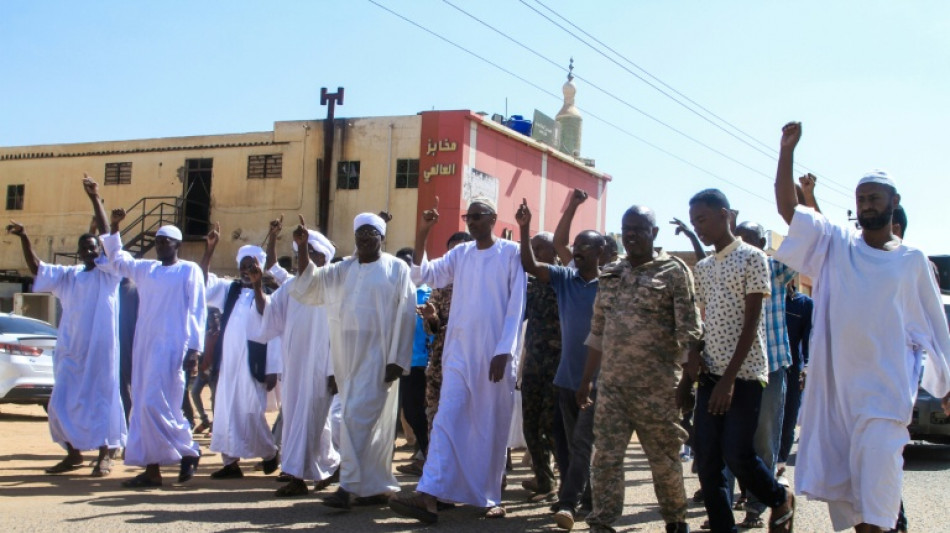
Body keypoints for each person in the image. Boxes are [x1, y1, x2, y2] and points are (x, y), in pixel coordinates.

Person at [773, 122, 950, 533]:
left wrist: (947, 386)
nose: (867, 204)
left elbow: (935, 328)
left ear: (893, 202)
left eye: (874, 198)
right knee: (854, 510)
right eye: (861, 199)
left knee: (879, 513)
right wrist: (786, 152)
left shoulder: (912, 263)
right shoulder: (837, 245)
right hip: (836, 404)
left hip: (885, 406)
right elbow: (789, 211)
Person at [390, 196, 526, 523]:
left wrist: (504, 351)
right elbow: (422, 275)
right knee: (447, 419)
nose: (472, 222)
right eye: (469, 217)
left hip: (494, 358)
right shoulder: (460, 254)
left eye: (479, 216)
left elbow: (516, 307)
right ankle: (429, 494)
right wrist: (423, 232)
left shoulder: (511, 254)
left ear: (494, 218)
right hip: (458, 355)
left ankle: (489, 496)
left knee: (488, 426)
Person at [577, 205, 702, 533]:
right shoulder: (610, 274)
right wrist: (586, 381)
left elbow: (690, 333)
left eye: (639, 229)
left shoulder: (673, 272)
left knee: (664, 461)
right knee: (605, 460)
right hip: (613, 389)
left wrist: (688, 385)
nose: (631, 234)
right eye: (626, 228)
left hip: (658, 389)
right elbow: (597, 332)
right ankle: (601, 522)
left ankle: (676, 521)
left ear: (654, 233)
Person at [683, 188, 794, 533]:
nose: (698, 227)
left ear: (725, 215)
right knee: (708, 460)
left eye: (702, 219)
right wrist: (693, 363)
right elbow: (703, 322)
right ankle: (722, 526)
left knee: (737, 453)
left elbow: (752, 323)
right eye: (693, 222)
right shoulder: (701, 268)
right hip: (712, 374)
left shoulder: (752, 258)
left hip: (745, 375)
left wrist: (729, 381)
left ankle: (779, 499)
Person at [289, 213, 416, 509]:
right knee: (358, 420)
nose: (364, 239)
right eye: (360, 234)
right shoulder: (342, 269)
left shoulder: (396, 268)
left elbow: (407, 313)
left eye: (371, 234)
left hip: (379, 355)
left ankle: (347, 486)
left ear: (382, 238)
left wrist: (397, 358)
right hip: (347, 357)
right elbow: (309, 285)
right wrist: (304, 246)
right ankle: (374, 488)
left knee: (356, 418)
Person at [7, 175, 127, 477]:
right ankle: (73, 454)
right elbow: (37, 269)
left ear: (98, 250)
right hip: (71, 351)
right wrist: (25, 237)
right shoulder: (69, 276)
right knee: (60, 402)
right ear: (79, 252)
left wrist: (95, 198)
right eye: (84, 247)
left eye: (93, 247)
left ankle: (105, 454)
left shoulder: (109, 273)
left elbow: (109, 240)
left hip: (101, 352)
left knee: (102, 401)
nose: (89, 251)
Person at [517, 192, 604, 531]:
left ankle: (572, 501)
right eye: (576, 246)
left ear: (600, 252)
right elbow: (530, 265)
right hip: (565, 378)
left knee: (583, 443)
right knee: (566, 444)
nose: (577, 249)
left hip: (597, 380)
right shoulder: (565, 279)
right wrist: (524, 230)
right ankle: (580, 497)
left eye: (586, 245)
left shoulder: (610, 284)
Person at [103, 210, 205, 488]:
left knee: (157, 405)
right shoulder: (146, 269)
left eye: (165, 242)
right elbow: (117, 258)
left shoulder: (188, 270)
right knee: (144, 406)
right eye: (157, 242)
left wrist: (195, 350)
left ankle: (189, 450)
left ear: (177, 245)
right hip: (145, 347)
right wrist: (113, 227)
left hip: (174, 348)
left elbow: (197, 310)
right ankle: (153, 470)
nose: (159, 246)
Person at [258, 218, 340, 497]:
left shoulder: (332, 286)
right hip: (293, 366)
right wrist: (272, 238)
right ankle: (330, 464)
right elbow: (271, 269)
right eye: (298, 253)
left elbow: (338, 333)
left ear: (322, 258)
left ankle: (297, 476)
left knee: (310, 418)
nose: (300, 259)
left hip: (320, 367)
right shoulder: (292, 286)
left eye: (307, 252)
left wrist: (334, 370)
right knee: (303, 418)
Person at [200, 224, 281, 480]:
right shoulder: (230, 290)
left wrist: (272, 370)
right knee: (224, 411)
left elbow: (268, 321)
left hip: (253, 366)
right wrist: (209, 251)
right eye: (244, 265)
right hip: (228, 364)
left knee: (250, 412)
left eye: (252, 265)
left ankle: (269, 453)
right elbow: (201, 284)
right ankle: (230, 463)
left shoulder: (269, 293)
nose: (247, 270)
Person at [733, 221, 797, 528]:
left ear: (762, 242)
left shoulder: (775, 269)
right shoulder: (732, 270)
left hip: (770, 369)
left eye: (752, 240)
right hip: (738, 370)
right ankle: (732, 499)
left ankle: (757, 508)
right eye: (741, 239)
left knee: (764, 441)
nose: (746, 246)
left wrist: (798, 211)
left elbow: (799, 249)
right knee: (732, 440)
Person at [518, 231, 563, 502]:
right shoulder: (530, 285)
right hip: (534, 362)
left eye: (539, 248)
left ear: (554, 252)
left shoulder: (564, 281)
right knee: (530, 424)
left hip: (558, 364)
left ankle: (568, 482)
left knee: (551, 424)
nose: (534, 253)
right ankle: (544, 481)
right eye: (531, 248)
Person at [393, 247, 433, 477]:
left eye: (409, 263)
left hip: (422, 362)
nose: (405, 268)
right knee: (410, 412)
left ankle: (428, 455)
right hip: (400, 361)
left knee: (420, 411)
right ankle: (426, 454)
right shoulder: (396, 292)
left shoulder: (428, 293)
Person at [777, 280, 811, 472]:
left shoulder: (804, 304)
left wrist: (807, 367)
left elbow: (809, 343)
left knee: (787, 423)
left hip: (792, 374)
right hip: (769, 371)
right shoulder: (767, 299)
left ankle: (780, 467)